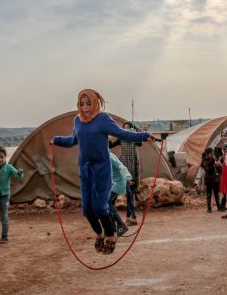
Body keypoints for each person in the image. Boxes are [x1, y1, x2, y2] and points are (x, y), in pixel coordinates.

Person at [50, 89, 153, 255]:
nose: (85, 107)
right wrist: (57, 140)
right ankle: (99, 234)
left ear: (95, 102)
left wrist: (143, 136)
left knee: (99, 206)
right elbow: (72, 140)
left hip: (101, 168)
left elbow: (122, 133)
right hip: (85, 168)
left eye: (88, 103)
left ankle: (111, 235)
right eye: (81, 103)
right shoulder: (78, 120)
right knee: (88, 210)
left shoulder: (103, 119)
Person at [108, 121, 141, 226]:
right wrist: (107, 137)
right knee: (124, 195)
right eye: (124, 127)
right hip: (122, 168)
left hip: (131, 169)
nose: (125, 129)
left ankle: (129, 218)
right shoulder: (120, 139)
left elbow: (140, 142)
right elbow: (110, 145)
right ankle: (125, 217)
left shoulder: (133, 139)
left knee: (130, 195)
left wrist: (136, 132)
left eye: (128, 127)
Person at [107, 150, 133, 236]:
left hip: (118, 184)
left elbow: (121, 167)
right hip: (113, 183)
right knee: (107, 204)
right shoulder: (104, 156)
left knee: (106, 203)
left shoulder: (110, 156)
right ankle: (113, 227)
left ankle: (120, 224)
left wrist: (128, 177)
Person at [200, 148, 222, 212]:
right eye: (211, 153)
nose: (213, 154)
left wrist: (218, 165)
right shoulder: (205, 161)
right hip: (209, 180)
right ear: (208, 154)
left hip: (215, 179)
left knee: (216, 194)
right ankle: (209, 208)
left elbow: (219, 169)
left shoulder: (214, 160)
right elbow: (207, 168)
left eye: (213, 153)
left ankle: (219, 207)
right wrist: (213, 160)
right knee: (209, 195)